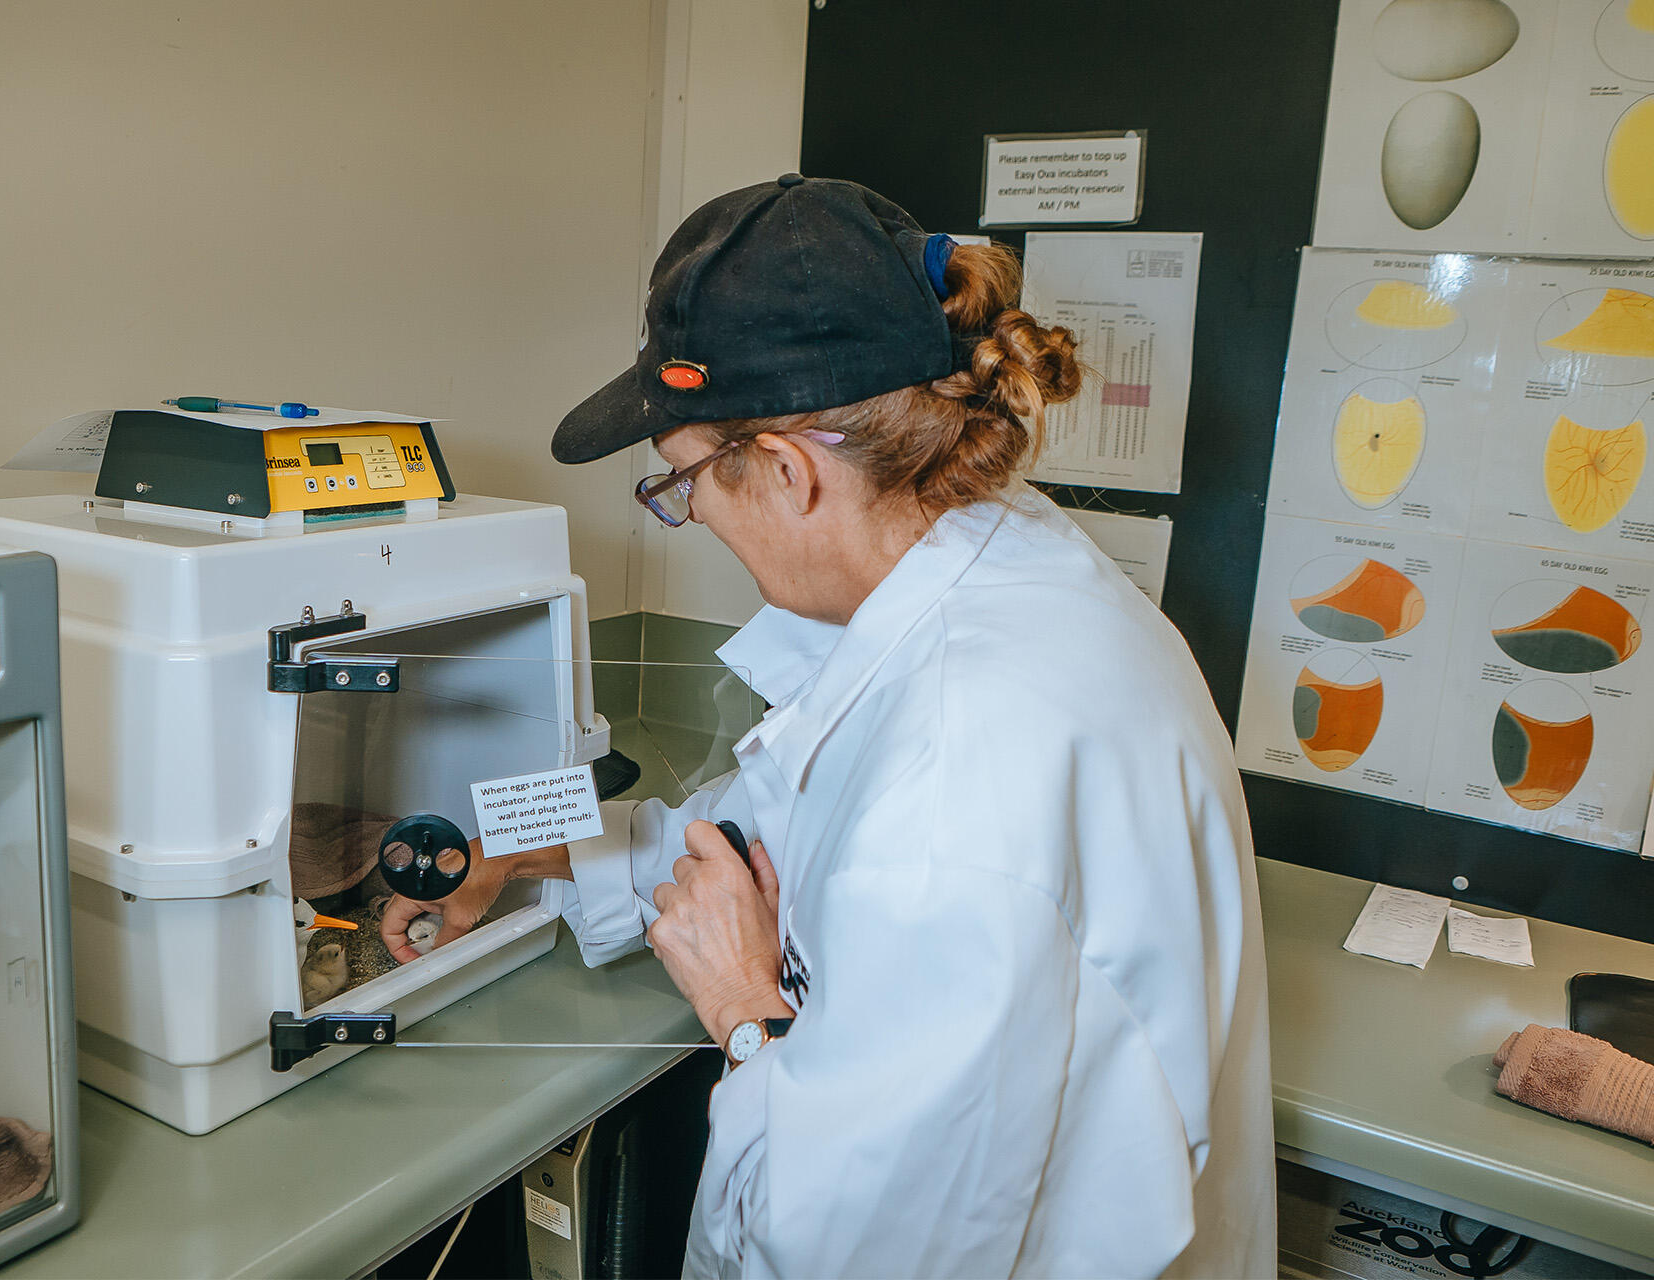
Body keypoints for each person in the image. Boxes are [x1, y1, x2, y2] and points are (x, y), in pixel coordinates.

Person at [384, 174, 1275, 1278]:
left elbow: (835, 1251)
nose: (691, 511)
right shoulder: (997, 571)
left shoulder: (955, 782)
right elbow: (763, 837)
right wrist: (528, 852)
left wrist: (743, 1009)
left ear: (793, 471)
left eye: (681, 480)